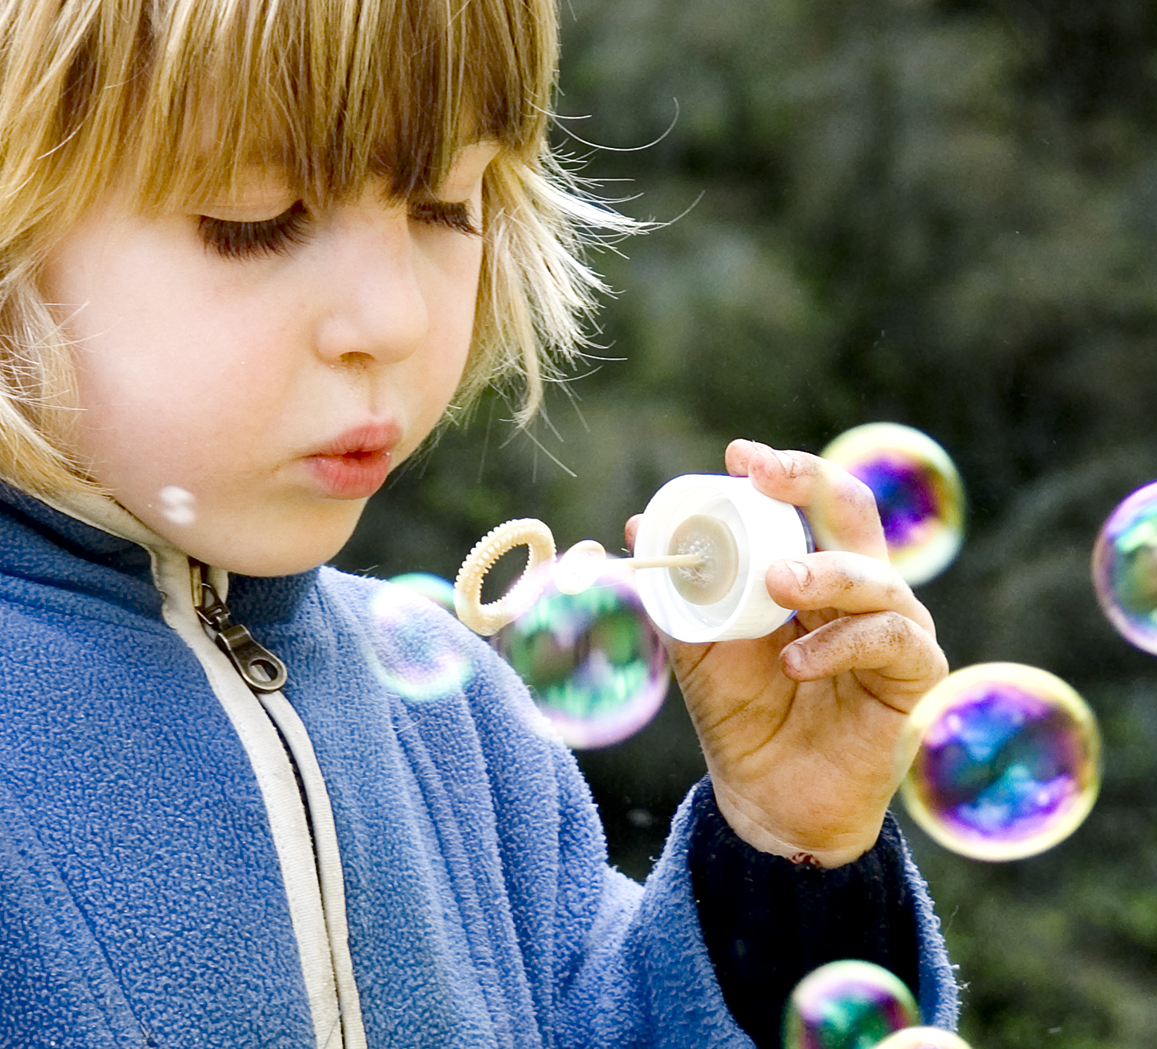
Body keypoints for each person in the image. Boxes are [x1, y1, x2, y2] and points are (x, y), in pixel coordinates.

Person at [0, 0, 958, 1046]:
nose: (395, 317)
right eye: (256, 216)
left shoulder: (459, 728)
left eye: (445, 204)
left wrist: (787, 849)